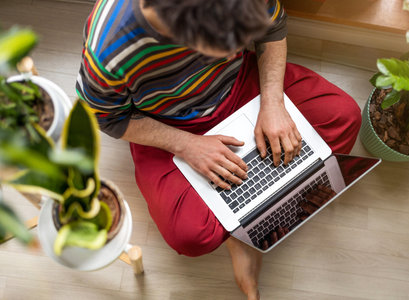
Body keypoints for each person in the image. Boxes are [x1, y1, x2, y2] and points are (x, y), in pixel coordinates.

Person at [76, 0, 361, 299]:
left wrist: (273, 102)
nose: (231, 54)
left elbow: (272, 27)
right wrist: (186, 145)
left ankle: (247, 216)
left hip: (241, 86)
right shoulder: (107, 49)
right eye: (221, 47)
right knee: (189, 236)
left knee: (343, 116)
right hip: (167, 123)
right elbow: (105, 117)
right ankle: (242, 234)